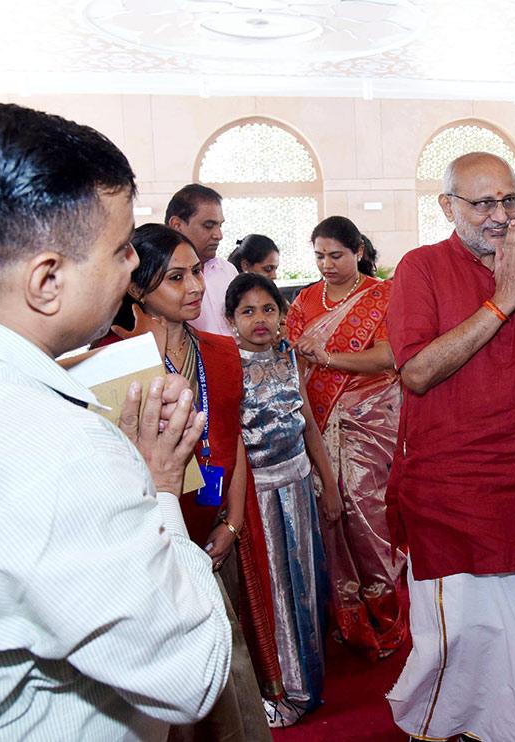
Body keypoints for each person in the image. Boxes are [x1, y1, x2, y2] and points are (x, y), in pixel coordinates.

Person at [0, 103, 230, 738]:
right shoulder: (54, 452)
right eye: (120, 251)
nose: (135, 266)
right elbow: (194, 674)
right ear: (47, 279)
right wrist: (161, 490)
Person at [385, 151, 515, 742]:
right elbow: (417, 372)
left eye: (509, 200)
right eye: (483, 203)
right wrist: (500, 303)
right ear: (448, 207)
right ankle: (441, 732)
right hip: (450, 490)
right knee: (455, 642)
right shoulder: (420, 268)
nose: (500, 215)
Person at [108, 223, 277, 741]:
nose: (197, 288)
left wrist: (234, 522)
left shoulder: (223, 353)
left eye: (197, 272)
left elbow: (235, 443)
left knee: (230, 661)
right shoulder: (111, 357)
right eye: (176, 277)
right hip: (149, 538)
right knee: (168, 679)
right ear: (137, 287)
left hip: (215, 530)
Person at [285, 215, 408, 657]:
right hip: (317, 420)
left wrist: (331, 358)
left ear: (357, 251)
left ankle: (389, 616)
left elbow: (389, 356)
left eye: (336, 254)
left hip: (368, 420)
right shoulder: (302, 302)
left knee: (364, 515)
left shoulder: (383, 295)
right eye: (319, 255)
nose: (326, 264)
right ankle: (348, 616)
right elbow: (295, 360)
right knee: (330, 516)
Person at [225, 272, 340, 726]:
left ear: (282, 314)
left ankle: (309, 684)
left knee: (306, 586)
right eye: (247, 311)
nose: (259, 319)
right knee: (272, 592)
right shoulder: (226, 366)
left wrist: (327, 484)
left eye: (268, 309)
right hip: (258, 496)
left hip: (298, 488)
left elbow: (307, 420)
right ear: (231, 319)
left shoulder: (289, 355)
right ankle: (279, 690)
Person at [166, 183, 237, 335]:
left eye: (220, 225)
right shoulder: (159, 279)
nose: (218, 235)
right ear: (177, 225)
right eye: (208, 225)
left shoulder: (228, 271)